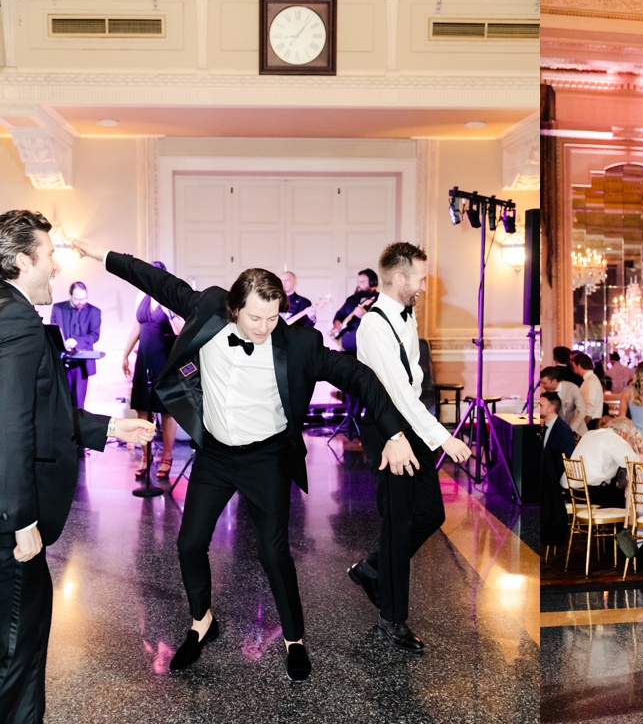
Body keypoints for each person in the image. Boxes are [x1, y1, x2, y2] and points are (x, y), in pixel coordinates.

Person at [74, 236, 418, 682]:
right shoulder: (206, 310)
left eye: (273, 316)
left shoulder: (298, 344)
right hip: (215, 456)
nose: (264, 327)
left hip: (266, 460)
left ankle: (294, 639)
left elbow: (360, 375)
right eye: (255, 317)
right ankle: (202, 623)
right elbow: (154, 279)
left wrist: (392, 431)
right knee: (189, 543)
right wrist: (98, 254)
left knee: (274, 554)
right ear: (234, 308)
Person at [0, 211, 155, 724]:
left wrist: (112, 427)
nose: (56, 264)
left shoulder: (10, 311)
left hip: (16, 510)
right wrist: (20, 520)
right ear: (23, 261)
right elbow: (11, 427)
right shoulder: (15, 318)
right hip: (12, 517)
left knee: (29, 632)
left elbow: (45, 414)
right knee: (14, 646)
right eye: (48, 253)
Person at [351, 242, 472, 653]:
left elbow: (414, 381)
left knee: (431, 514)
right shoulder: (372, 326)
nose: (424, 284)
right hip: (390, 433)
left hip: (414, 424)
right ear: (399, 279)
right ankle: (392, 618)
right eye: (419, 278)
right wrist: (445, 437)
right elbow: (398, 393)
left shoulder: (408, 313)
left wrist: (428, 430)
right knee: (399, 522)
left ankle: (373, 568)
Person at [121, 262, 181, 478]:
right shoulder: (141, 295)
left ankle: (167, 456)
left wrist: (170, 312)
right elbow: (137, 326)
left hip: (164, 359)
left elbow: (181, 331)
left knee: (165, 410)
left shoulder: (172, 297)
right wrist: (126, 354)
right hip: (144, 359)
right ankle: (146, 457)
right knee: (143, 410)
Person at [560, 422, 643, 508]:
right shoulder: (615, 439)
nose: (628, 441)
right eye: (629, 438)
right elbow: (632, 462)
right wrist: (640, 457)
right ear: (622, 433)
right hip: (588, 493)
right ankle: (618, 521)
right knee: (621, 497)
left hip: (570, 490)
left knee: (613, 490)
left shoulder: (590, 433)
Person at [49, 282, 100, 410]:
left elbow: (94, 335)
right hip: (62, 362)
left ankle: (78, 429)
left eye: (84, 298)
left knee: (78, 404)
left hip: (81, 365)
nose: (81, 302)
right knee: (61, 403)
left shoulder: (94, 312)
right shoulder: (58, 308)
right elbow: (54, 330)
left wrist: (77, 341)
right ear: (70, 296)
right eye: (77, 299)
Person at [538, 391, 577, 548]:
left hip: (557, 478)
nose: (537, 408)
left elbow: (567, 458)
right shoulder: (547, 427)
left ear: (551, 409)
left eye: (541, 405)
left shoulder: (562, 430)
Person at [332, 268, 379, 354]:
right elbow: (340, 313)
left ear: (373, 283)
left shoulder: (380, 300)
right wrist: (337, 321)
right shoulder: (351, 299)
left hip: (368, 353)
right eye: (357, 282)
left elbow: (382, 324)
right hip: (346, 352)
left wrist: (364, 316)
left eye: (361, 282)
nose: (358, 285)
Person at [539, 366, 586, 436]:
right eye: (541, 383)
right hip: (555, 432)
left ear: (554, 381)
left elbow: (582, 411)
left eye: (544, 383)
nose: (542, 385)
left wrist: (571, 429)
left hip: (576, 431)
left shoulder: (572, 388)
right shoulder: (542, 391)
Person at [573, 352, 605, 430]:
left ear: (579, 366)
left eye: (573, 366)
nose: (573, 369)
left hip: (591, 423)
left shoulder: (591, 381)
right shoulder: (589, 379)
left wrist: (581, 426)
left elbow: (589, 408)